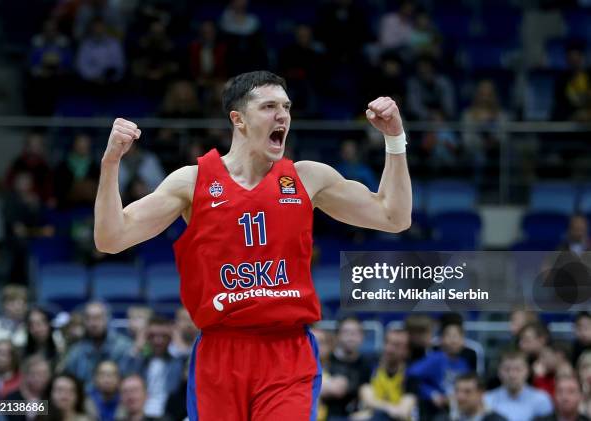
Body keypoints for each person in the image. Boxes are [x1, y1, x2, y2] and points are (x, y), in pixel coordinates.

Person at [94, 70, 412, 420]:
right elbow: (111, 238)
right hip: (220, 351)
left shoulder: (308, 178)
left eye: (287, 107)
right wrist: (110, 164)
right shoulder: (193, 181)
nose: (283, 116)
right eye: (269, 106)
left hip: (287, 351)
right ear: (239, 119)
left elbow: (394, 217)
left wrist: (395, 139)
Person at [484, 350, 553, 421]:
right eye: (507, 369)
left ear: (527, 371)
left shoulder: (541, 400)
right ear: (499, 372)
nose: (512, 375)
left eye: (518, 369)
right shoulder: (486, 400)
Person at [433, 373, 506, 421]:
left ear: (481, 394)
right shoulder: (444, 419)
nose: (460, 397)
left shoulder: (497, 419)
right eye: (457, 391)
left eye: (467, 392)